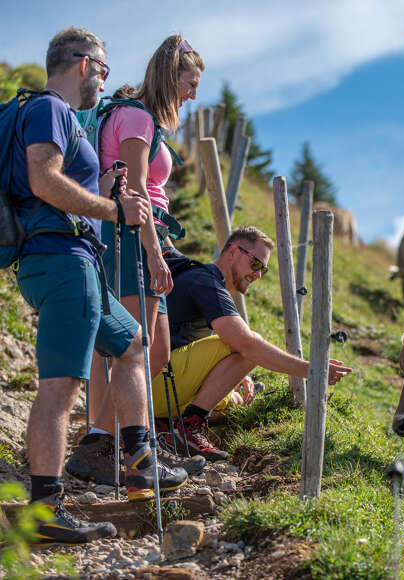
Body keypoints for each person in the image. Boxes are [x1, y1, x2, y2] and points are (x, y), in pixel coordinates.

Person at [11, 27, 187, 544]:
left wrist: (106, 186)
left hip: (76, 259)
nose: (106, 80)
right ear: (84, 64)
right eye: (104, 69)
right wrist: (113, 208)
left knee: (131, 341)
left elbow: (55, 187)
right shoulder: (48, 109)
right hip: (61, 261)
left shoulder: (62, 119)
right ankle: (45, 509)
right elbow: (44, 181)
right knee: (61, 385)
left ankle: (139, 464)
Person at [82, 34, 204, 447]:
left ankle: (111, 439)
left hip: (142, 237)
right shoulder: (137, 119)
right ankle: (102, 443)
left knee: (156, 351)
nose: (192, 95)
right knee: (133, 348)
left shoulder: (140, 117)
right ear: (172, 77)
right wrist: (155, 253)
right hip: (131, 236)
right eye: (190, 83)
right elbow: (134, 190)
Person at [152, 226, 353, 461]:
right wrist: (313, 370)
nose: (258, 275)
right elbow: (247, 345)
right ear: (233, 252)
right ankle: (186, 430)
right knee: (248, 349)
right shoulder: (205, 281)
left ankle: (164, 425)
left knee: (235, 400)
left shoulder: (201, 278)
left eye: (263, 270)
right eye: (256, 264)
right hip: (156, 381)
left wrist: (236, 375)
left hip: (157, 383)